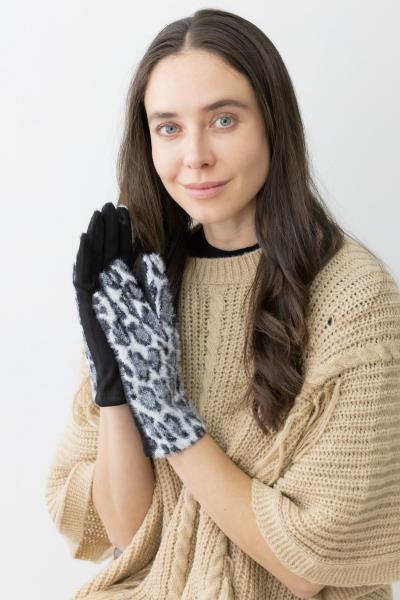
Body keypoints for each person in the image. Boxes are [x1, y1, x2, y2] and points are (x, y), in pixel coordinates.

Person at [44, 8, 400, 600]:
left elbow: (308, 568)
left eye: (224, 120)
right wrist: (114, 383)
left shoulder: (352, 297)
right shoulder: (148, 287)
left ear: (273, 125)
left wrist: (167, 415)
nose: (195, 156)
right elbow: (124, 532)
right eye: (168, 128)